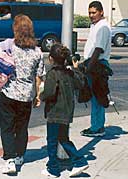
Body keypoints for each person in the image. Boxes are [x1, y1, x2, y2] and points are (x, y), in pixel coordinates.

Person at [0, 14, 45, 174]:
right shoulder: (37, 52)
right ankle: (20, 156)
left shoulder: (9, 46)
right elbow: (39, 77)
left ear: (15, 29)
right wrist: (38, 96)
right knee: (22, 127)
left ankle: (9, 160)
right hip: (26, 95)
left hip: (8, 92)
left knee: (7, 126)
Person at [40, 43, 89, 178]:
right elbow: (80, 83)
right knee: (63, 138)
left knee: (51, 141)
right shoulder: (70, 73)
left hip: (55, 112)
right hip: (67, 111)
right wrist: (76, 68)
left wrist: (41, 96)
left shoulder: (52, 74)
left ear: (51, 59)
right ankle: (78, 160)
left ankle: (53, 168)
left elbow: (49, 93)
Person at [80, 0, 112, 137]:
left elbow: (98, 49)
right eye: (89, 13)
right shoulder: (95, 25)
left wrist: (88, 67)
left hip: (97, 65)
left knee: (98, 96)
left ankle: (98, 128)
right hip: (92, 64)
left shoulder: (103, 27)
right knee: (94, 96)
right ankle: (96, 125)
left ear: (101, 12)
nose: (91, 15)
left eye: (94, 12)